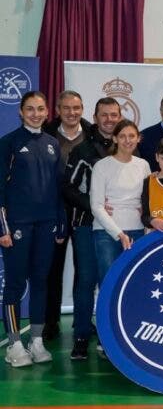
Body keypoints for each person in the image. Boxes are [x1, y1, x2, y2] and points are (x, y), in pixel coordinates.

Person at [0, 91, 66, 367]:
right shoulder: (9, 143)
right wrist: (3, 228)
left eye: (40, 109)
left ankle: (36, 340)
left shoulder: (53, 144)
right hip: (17, 227)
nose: (36, 114)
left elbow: (59, 188)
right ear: (20, 111)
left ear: (47, 111)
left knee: (41, 282)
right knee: (15, 284)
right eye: (30, 109)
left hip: (47, 225)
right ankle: (15, 343)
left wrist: (60, 222)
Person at [63, 97, 122, 360]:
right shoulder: (83, 151)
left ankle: (111, 336)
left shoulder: (130, 149)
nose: (110, 120)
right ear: (96, 118)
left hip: (119, 228)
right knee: (86, 280)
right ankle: (81, 336)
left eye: (114, 115)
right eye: (104, 115)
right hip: (86, 224)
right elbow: (67, 188)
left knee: (113, 281)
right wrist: (94, 206)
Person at [41, 90, 92, 341]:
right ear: (58, 110)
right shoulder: (46, 133)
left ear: (83, 109)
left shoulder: (92, 134)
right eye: (67, 108)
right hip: (53, 211)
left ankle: (82, 322)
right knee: (53, 269)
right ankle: (51, 322)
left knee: (84, 271)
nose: (72, 113)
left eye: (77, 108)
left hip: (84, 212)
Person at [90, 120, 150, 283]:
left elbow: (149, 199)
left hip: (137, 231)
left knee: (134, 283)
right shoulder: (101, 166)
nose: (127, 140)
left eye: (132, 136)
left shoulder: (143, 165)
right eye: (122, 136)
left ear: (138, 138)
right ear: (115, 139)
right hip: (105, 233)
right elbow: (96, 206)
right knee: (109, 283)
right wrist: (119, 234)